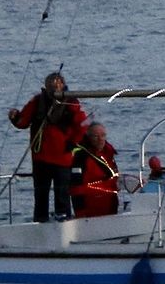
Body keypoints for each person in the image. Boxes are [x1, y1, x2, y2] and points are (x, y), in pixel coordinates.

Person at [8, 72, 86, 222]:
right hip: (41, 157)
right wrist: (15, 116)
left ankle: (63, 223)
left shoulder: (71, 102)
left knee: (62, 194)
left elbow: (82, 124)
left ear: (63, 84)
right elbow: (23, 122)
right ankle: (40, 222)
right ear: (45, 85)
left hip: (62, 157)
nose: (54, 85)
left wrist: (73, 143)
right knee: (41, 194)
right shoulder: (37, 101)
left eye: (57, 82)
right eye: (51, 82)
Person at [71, 117, 122, 218]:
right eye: (96, 136)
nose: (100, 139)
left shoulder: (108, 153)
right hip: (90, 212)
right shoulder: (80, 157)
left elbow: (115, 178)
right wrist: (80, 213)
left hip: (110, 207)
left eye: (103, 135)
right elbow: (76, 188)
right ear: (88, 137)